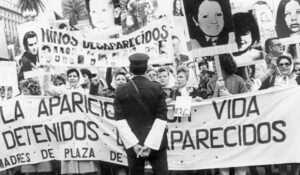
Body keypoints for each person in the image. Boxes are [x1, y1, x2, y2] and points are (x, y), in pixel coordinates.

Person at [114, 53, 168, 175]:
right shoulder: (156, 88)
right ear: (146, 68)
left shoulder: (120, 90)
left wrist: (134, 144)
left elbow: (120, 121)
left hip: (133, 143)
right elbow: (161, 118)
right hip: (157, 143)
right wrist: (150, 144)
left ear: (130, 68)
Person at [43, 68, 100, 175]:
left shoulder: (84, 91)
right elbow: (46, 88)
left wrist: (95, 85)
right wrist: (47, 72)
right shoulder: (63, 89)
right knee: (70, 165)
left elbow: (93, 98)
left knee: (86, 167)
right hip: (68, 130)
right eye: (70, 76)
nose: (72, 78)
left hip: (83, 130)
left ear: (79, 78)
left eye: (74, 76)